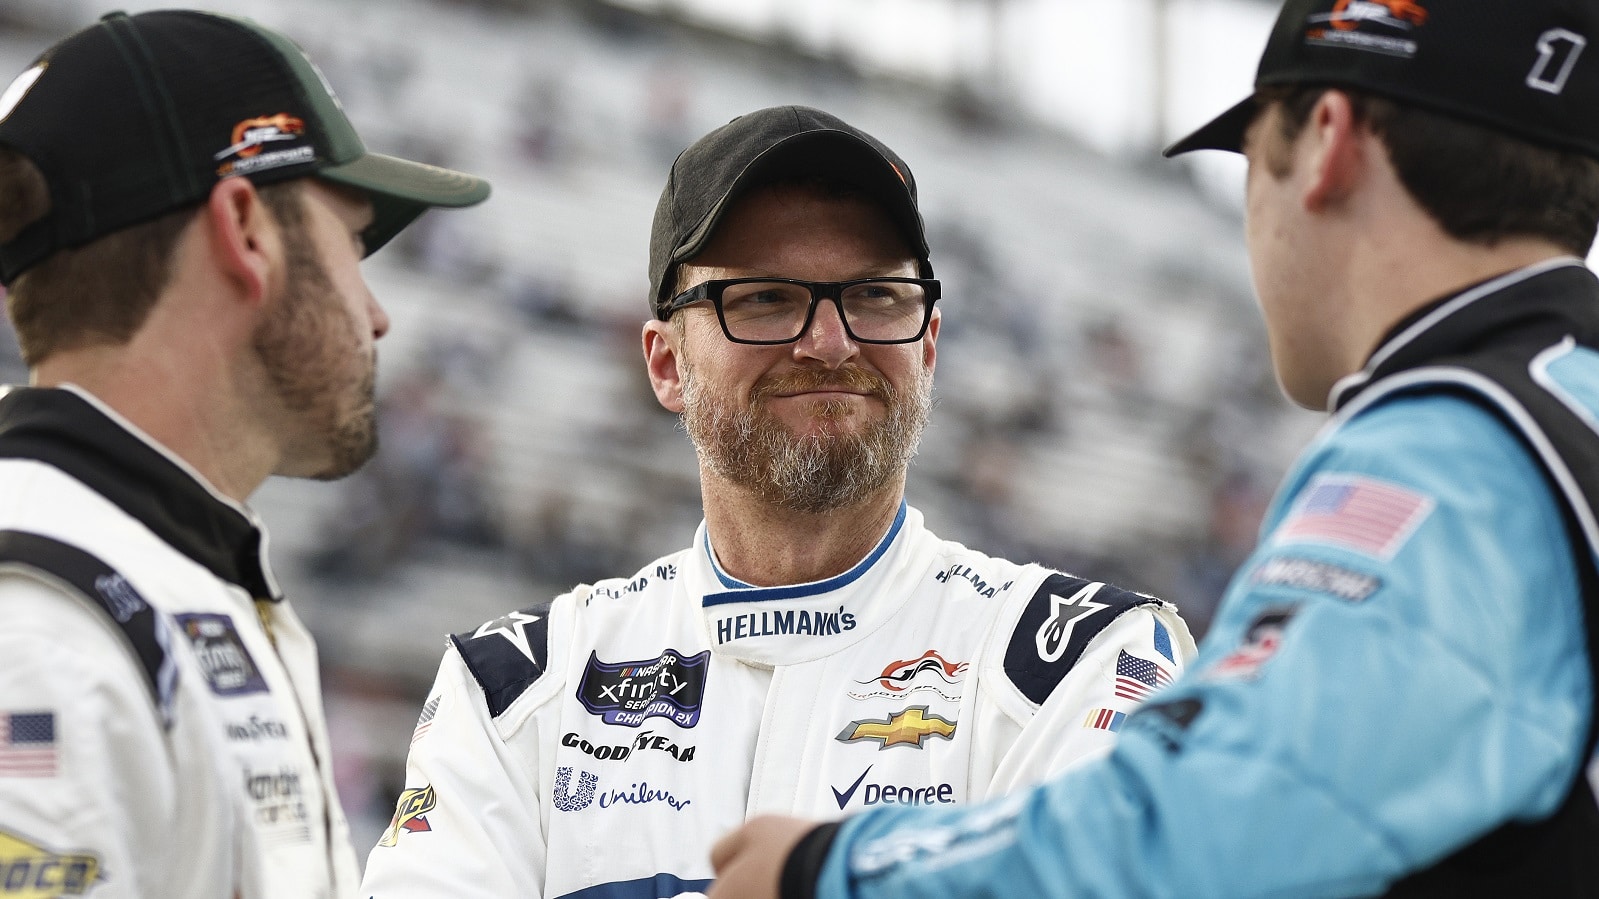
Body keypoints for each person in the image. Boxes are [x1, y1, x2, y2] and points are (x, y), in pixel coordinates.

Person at [707, 1, 1599, 897]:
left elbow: (1208, 826)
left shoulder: (1456, 447)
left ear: (1327, 141)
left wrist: (831, 868)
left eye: (1254, 158)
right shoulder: (1551, 410)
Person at [359, 104, 1195, 898]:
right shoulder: (516, 687)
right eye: (762, 298)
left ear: (929, 344)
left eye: (875, 296)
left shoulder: (1075, 659)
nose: (829, 343)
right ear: (664, 362)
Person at [0, 10, 488, 898]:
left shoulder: (151, 562)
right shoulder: (45, 628)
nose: (377, 314)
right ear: (247, 230)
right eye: (352, 242)